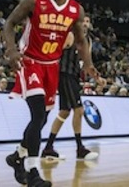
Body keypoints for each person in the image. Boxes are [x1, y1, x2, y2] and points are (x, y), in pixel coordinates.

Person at [3, 0, 99, 187]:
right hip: (30, 62)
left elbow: (81, 40)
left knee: (43, 118)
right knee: (38, 115)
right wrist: (11, 50)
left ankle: (17, 156)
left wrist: (89, 64)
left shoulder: (76, 10)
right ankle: (32, 171)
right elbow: (9, 23)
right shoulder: (33, 1)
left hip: (52, 66)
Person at [41, 15, 104, 161]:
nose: (85, 24)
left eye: (88, 22)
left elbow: (89, 65)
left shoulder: (87, 41)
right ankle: (80, 148)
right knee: (79, 110)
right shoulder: (70, 35)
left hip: (74, 76)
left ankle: (48, 148)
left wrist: (97, 78)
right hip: (64, 74)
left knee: (64, 112)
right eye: (83, 21)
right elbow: (54, 51)